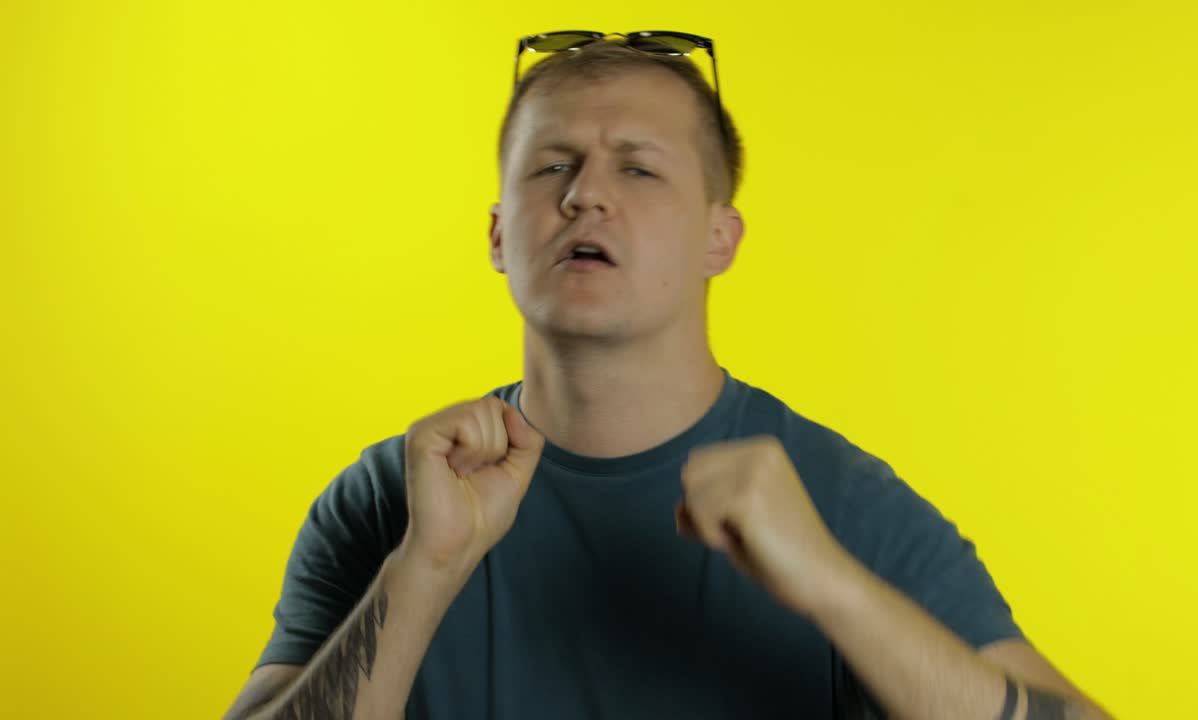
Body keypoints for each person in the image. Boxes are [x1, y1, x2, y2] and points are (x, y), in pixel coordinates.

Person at [224, 32, 1112, 720]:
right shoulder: (392, 497)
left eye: (638, 168)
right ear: (499, 237)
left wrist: (834, 588)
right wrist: (422, 569)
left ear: (719, 238)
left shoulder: (837, 501)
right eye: (552, 167)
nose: (585, 196)